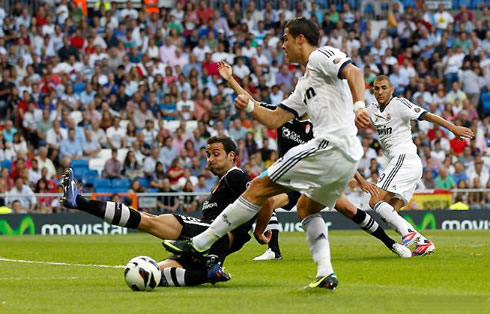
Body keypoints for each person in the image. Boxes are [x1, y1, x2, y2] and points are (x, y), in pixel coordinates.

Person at [162, 17, 373, 290]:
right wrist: (249, 108)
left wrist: (359, 106)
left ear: (300, 39)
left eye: (286, 38)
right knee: (306, 208)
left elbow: (353, 72)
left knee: (258, 186)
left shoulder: (321, 56)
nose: (282, 45)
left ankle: (201, 243)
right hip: (345, 156)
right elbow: (275, 119)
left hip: (329, 145)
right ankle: (325, 272)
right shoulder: (304, 84)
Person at [217, 60, 410, 261]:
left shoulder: (320, 127)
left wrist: (361, 181)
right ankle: (273, 250)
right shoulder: (282, 116)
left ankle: (391, 243)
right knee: (268, 199)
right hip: (289, 177)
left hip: (316, 177)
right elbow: (252, 103)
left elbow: (338, 150)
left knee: (350, 210)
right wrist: (230, 79)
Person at [61, 136, 253, 287]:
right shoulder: (223, 183)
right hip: (211, 243)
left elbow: (263, 198)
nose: (210, 160)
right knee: (155, 273)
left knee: (149, 221)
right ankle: (207, 274)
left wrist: (266, 229)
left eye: (216, 154)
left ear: (231, 156)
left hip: (212, 234)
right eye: (208, 155)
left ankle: (79, 201)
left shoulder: (235, 176)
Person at [364, 75, 474, 256]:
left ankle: (409, 235)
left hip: (405, 159)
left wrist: (453, 128)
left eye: (384, 88)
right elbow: (351, 117)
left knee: (375, 200)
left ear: (391, 90)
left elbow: (427, 115)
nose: (380, 91)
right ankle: (423, 243)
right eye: (376, 88)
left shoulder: (399, 104)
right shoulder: (371, 110)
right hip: (406, 164)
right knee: (389, 213)